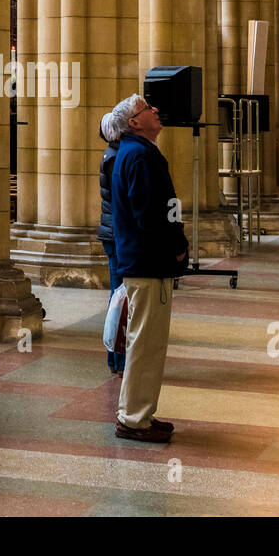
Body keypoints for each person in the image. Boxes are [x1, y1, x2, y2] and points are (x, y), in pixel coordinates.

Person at [108, 93, 187, 443]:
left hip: (145, 259)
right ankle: (133, 419)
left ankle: (139, 412)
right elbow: (149, 214)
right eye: (146, 108)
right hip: (146, 260)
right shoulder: (138, 156)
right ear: (135, 122)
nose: (156, 109)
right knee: (144, 343)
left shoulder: (138, 153)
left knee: (149, 343)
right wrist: (176, 246)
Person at [97, 112, 125, 375]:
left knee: (118, 295)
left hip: (112, 234)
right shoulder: (116, 157)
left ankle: (116, 358)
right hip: (117, 235)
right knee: (119, 297)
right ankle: (118, 358)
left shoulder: (112, 153)